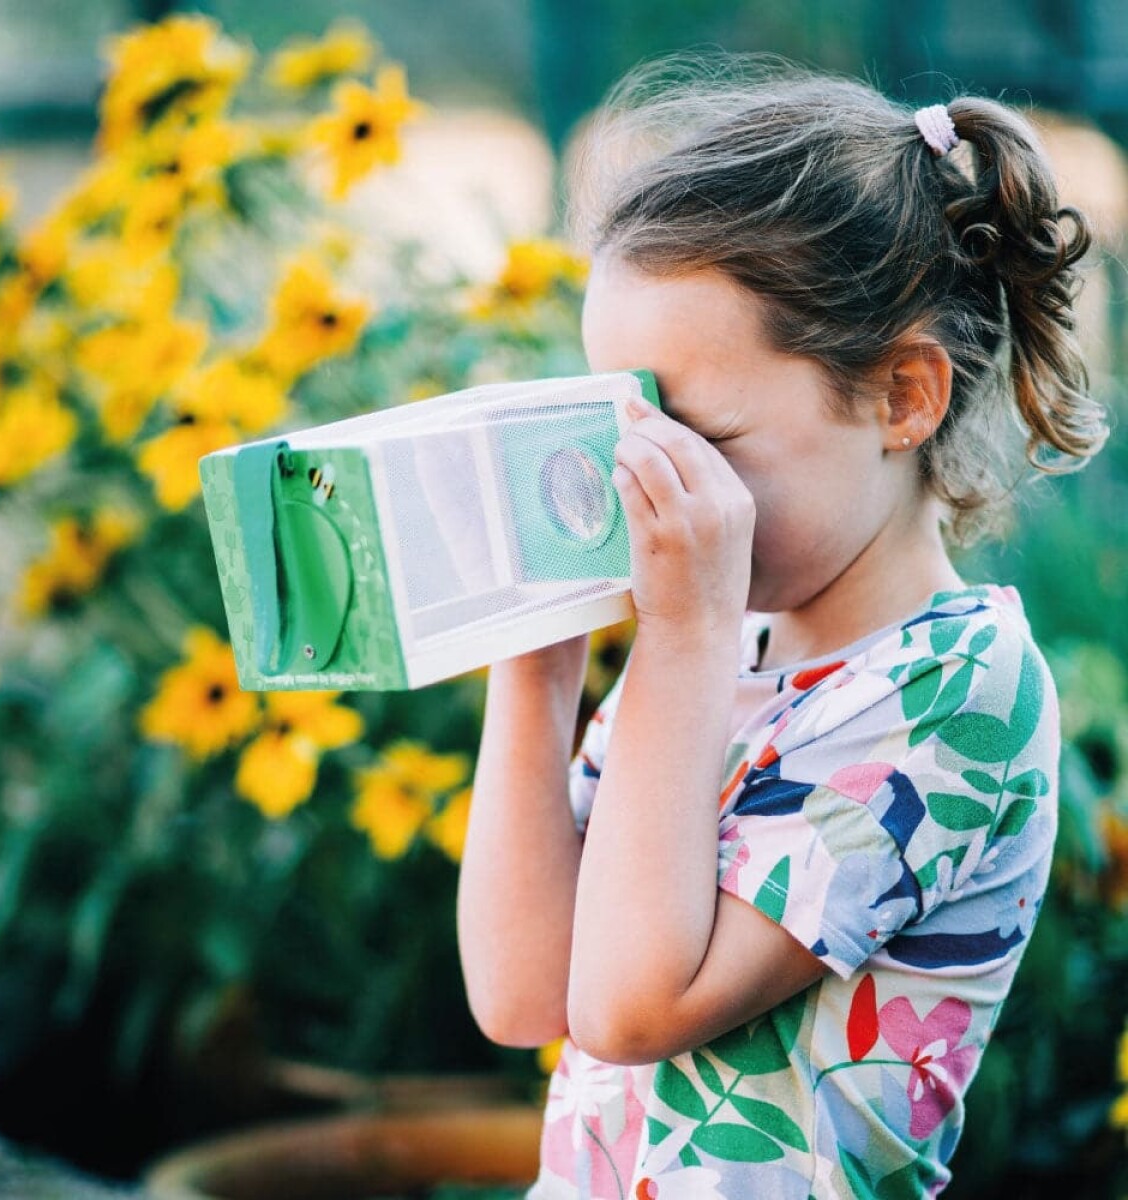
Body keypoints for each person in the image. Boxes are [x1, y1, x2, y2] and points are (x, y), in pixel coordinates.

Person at [456, 56, 1108, 1199]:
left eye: (702, 435)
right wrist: (537, 672)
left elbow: (626, 1007)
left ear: (904, 396)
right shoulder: (731, 650)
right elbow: (522, 996)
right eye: (629, 428)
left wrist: (682, 644)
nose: (652, 485)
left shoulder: (956, 692)